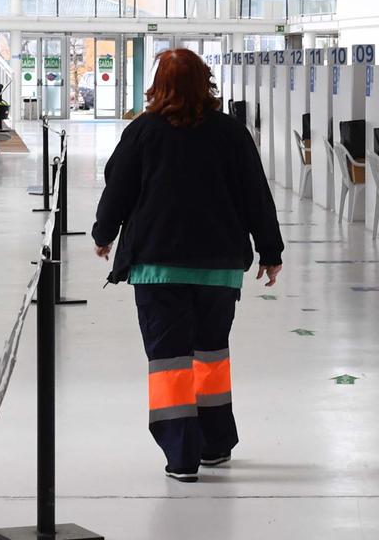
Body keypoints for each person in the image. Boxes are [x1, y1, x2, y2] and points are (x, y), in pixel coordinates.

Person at [93, 48, 283, 482]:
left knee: (169, 361)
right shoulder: (231, 134)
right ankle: (215, 444)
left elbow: (117, 189)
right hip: (218, 269)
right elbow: (257, 195)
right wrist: (270, 252)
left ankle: (181, 456)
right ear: (206, 82)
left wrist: (104, 235)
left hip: (158, 269)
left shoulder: (142, 132)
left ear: (158, 85)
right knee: (211, 357)